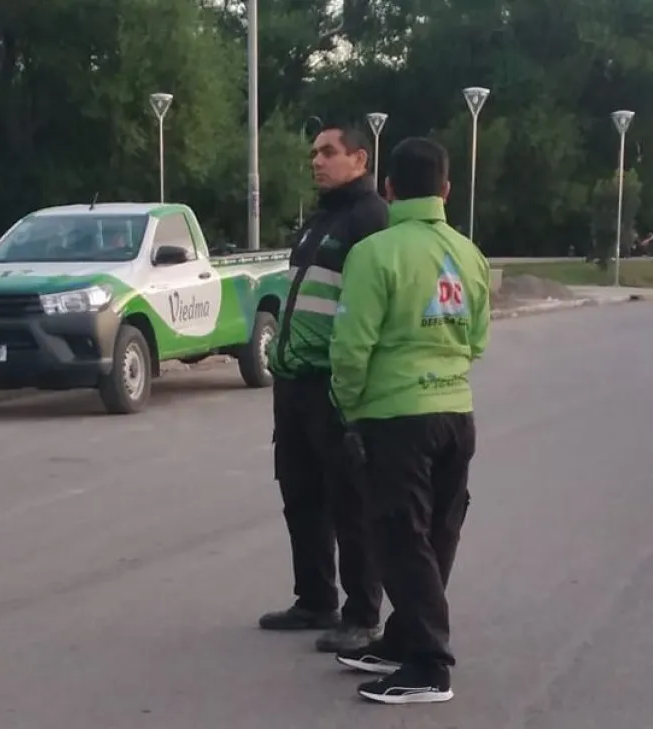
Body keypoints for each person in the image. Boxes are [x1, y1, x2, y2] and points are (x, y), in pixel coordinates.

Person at [328, 137, 490, 704]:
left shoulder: (376, 253)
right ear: (446, 190)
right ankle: (403, 637)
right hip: (455, 413)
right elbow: (478, 340)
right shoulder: (470, 255)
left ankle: (428, 662)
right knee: (437, 533)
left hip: (396, 416)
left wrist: (350, 408)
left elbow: (350, 348)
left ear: (390, 188)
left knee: (399, 536)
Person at [259, 123, 388, 654]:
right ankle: (315, 598)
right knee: (301, 495)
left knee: (349, 502)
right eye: (314, 153)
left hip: (332, 384)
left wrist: (352, 385)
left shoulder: (368, 217)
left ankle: (362, 614)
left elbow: (372, 302)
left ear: (359, 158)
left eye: (328, 152)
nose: (316, 161)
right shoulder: (319, 218)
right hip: (293, 382)